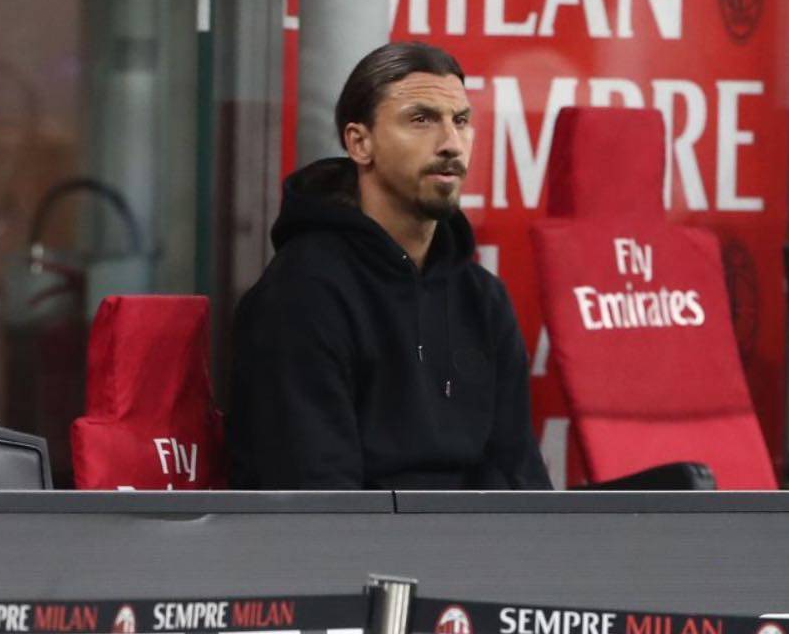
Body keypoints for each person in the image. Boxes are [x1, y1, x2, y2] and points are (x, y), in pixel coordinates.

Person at [229, 42, 552, 490]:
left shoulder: (483, 298)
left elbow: (520, 482)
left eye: (460, 121)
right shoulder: (300, 295)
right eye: (420, 120)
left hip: (478, 553)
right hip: (353, 554)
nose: (450, 144)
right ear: (360, 143)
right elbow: (314, 500)